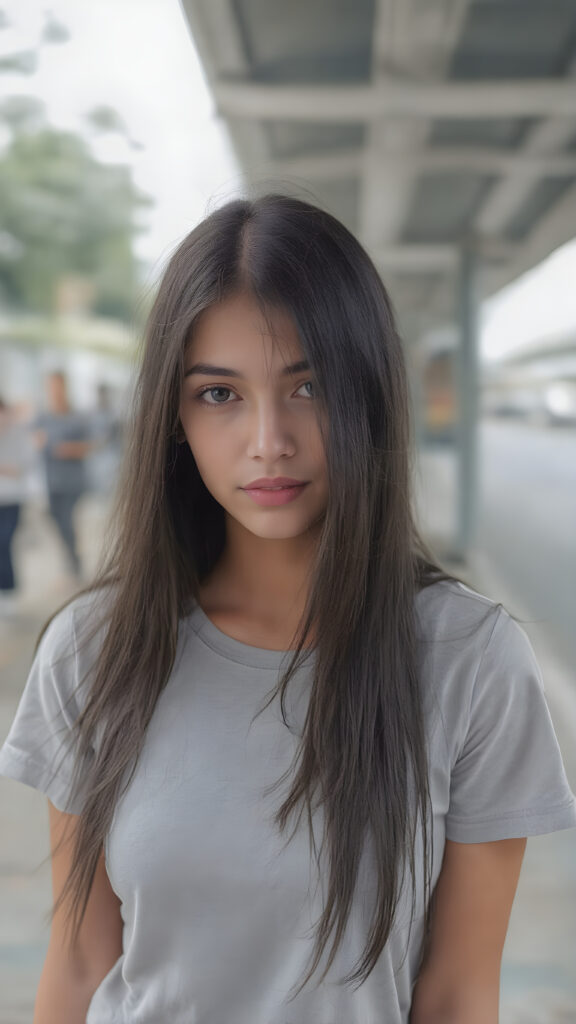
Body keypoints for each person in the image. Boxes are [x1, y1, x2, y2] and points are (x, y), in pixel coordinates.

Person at [0, 194, 575, 1024]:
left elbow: (456, 996)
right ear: (174, 418)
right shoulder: (95, 649)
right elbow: (82, 959)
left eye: (307, 385)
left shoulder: (469, 659)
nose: (268, 439)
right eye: (220, 395)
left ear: (370, 392)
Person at [34, 371, 94, 579]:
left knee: (67, 521)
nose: (54, 391)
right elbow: (34, 443)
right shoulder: (43, 417)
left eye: (57, 386)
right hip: (51, 481)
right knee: (56, 520)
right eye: (50, 386)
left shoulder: (76, 417)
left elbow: (90, 445)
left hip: (72, 481)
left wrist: (67, 449)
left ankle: (73, 564)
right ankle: (70, 557)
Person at [0, 397, 37, 615]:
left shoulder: (19, 435)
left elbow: (25, 465)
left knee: (4, 543)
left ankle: (9, 591)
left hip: (13, 500)